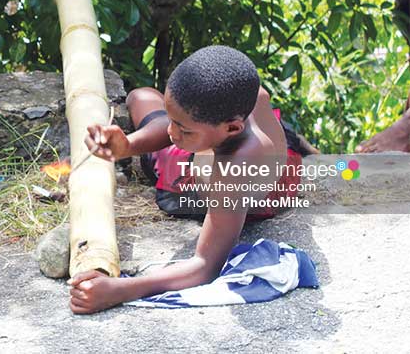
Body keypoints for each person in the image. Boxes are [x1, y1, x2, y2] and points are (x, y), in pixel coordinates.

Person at [69, 45, 310, 313]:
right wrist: (128, 145)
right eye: (170, 120)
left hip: (241, 192)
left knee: (149, 116)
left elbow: (205, 266)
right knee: (139, 96)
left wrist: (119, 290)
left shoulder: (234, 169)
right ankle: (293, 141)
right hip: (282, 160)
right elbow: (180, 125)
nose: (171, 132)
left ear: (232, 128)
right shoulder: (244, 93)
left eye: (182, 129)